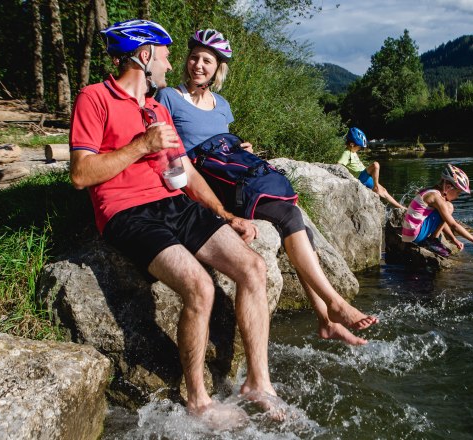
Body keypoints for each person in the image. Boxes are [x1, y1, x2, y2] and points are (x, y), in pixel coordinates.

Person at [69, 19, 280, 423]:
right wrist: (141, 145)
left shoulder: (155, 106)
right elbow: (81, 174)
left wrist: (224, 213)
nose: (170, 66)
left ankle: (258, 381)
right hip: (126, 212)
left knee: (253, 267)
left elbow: (185, 170)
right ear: (144, 56)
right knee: (200, 287)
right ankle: (199, 402)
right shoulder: (93, 98)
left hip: (173, 204)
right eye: (164, 57)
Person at [157, 29, 377, 346]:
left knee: (300, 228)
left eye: (207, 60)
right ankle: (334, 305)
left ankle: (326, 321)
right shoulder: (169, 98)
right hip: (208, 184)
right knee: (290, 217)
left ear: (218, 68)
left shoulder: (222, 104)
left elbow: (221, 142)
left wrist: (238, 145)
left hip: (231, 175)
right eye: (194, 57)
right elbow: (171, 148)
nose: (198, 65)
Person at [401, 164, 473, 255]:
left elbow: (442, 219)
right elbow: (453, 225)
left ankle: (433, 239)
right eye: (458, 193)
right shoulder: (436, 197)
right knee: (449, 206)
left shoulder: (432, 192)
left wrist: (454, 239)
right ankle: (433, 240)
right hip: (415, 236)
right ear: (448, 187)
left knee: (447, 207)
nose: (457, 196)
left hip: (409, 235)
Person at [337, 127, 405, 209]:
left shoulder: (353, 152)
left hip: (366, 177)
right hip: (361, 177)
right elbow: (338, 165)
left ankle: (401, 207)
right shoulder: (346, 153)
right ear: (352, 144)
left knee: (383, 191)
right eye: (359, 147)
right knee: (375, 165)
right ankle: (376, 187)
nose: (359, 149)